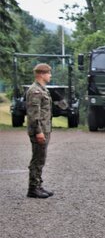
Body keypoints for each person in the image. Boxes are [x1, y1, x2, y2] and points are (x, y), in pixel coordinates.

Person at [26, 63, 54, 198]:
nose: (50, 75)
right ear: (41, 74)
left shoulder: (42, 89)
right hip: (39, 130)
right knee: (37, 159)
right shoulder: (35, 91)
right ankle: (33, 188)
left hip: (44, 129)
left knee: (41, 159)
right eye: (48, 73)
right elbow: (33, 115)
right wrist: (38, 131)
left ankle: (38, 185)